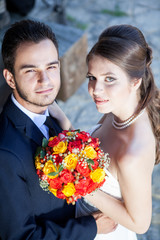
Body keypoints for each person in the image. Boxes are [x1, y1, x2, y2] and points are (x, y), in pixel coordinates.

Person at [0, 19, 117, 240]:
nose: (45, 80)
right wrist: (91, 227)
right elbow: (21, 237)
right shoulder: (6, 153)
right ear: (10, 78)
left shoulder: (49, 112)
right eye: (30, 71)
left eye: (51, 67)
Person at [74, 24, 160, 240]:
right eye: (92, 77)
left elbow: (140, 224)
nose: (96, 89)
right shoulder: (117, 110)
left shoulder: (132, 153)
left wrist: (81, 185)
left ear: (135, 81)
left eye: (109, 79)